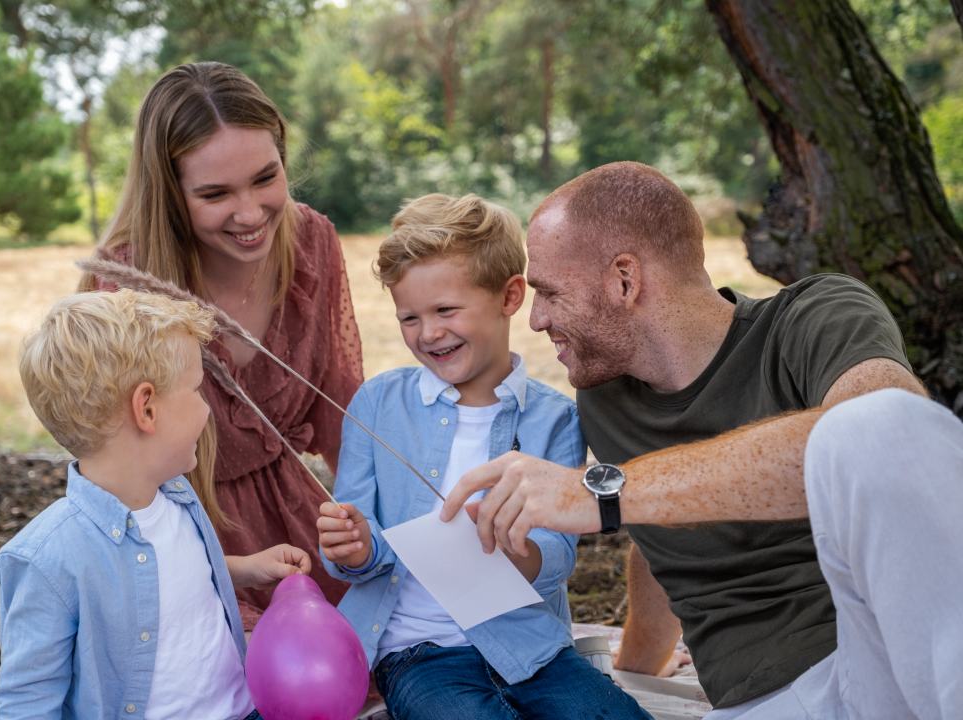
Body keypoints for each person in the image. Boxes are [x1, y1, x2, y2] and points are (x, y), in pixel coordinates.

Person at [439, 162, 963, 719]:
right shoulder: (607, 398)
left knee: (884, 422)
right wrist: (636, 669)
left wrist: (599, 492)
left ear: (624, 279)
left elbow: (884, 442)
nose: (537, 319)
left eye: (550, 293)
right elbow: (662, 522)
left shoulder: (815, 318)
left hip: (883, 657)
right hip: (760, 704)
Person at [317, 194, 651, 720]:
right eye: (409, 318)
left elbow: (557, 556)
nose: (428, 333)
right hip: (417, 653)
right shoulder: (377, 405)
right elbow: (357, 556)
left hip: (531, 647)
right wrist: (353, 548)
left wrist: (511, 548)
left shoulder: (555, 418)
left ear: (510, 295)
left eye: (446, 310)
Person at [77, 62, 363, 627]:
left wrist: (378, 532)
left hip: (302, 538)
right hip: (189, 549)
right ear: (170, 193)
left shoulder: (314, 242)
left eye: (265, 177)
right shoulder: (122, 285)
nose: (251, 213)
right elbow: (114, 476)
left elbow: (341, 410)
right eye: (214, 193)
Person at [0, 290, 312, 719]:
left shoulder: (177, 496)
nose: (206, 411)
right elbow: (28, 701)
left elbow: (179, 577)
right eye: (197, 390)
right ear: (146, 408)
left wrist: (249, 568)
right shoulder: (48, 560)